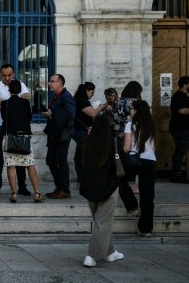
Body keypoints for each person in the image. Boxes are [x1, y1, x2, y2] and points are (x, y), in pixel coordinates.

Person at [79, 115, 124, 268]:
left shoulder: (85, 143)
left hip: (90, 188)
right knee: (102, 223)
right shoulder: (113, 144)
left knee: (101, 222)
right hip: (109, 187)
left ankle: (110, 251)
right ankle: (91, 256)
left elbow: (78, 162)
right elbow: (124, 164)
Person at [0, 64, 29, 197]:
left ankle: (22, 186)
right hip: (1, 126)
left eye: (9, 75)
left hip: (17, 128)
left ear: (13, 74)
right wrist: (15, 105)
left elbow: (26, 98)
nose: (7, 78)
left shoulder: (20, 84)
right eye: (4, 75)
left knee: (20, 155)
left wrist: (8, 105)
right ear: (0, 75)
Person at [2, 80, 44, 203]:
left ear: (9, 89)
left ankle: (14, 193)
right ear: (20, 90)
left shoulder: (5, 104)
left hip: (10, 138)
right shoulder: (25, 102)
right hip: (24, 137)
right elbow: (29, 117)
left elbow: (5, 119)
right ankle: (37, 193)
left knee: (11, 166)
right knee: (30, 165)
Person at [124, 100, 158, 237]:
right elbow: (153, 147)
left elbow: (126, 148)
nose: (131, 111)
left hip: (135, 160)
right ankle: (146, 229)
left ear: (137, 111)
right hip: (150, 160)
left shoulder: (130, 125)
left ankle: (132, 205)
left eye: (132, 109)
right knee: (148, 195)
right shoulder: (150, 125)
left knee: (120, 181)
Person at [41, 74, 76, 199]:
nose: (50, 83)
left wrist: (51, 114)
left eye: (52, 81)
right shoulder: (56, 96)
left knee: (61, 162)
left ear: (60, 83)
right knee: (51, 160)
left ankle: (64, 189)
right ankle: (59, 187)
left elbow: (69, 116)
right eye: (50, 81)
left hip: (62, 135)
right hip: (53, 134)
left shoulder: (67, 97)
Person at [111, 81, 141, 213]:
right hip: (129, 133)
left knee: (121, 159)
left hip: (118, 134)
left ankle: (122, 184)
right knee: (132, 158)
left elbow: (114, 118)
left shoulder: (118, 102)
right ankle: (131, 184)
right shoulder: (135, 102)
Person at [72, 82, 108, 186]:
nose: (92, 95)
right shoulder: (82, 101)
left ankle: (82, 179)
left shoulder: (77, 99)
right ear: (87, 91)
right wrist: (101, 108)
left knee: (81, 153)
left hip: (77, 130)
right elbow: (92, 113)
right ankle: (82, 179)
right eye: (92, 92)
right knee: (83, 154)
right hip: (81, 131)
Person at [169, 76, 189, 183]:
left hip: (185, 129)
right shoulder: (179, 96)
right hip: (181, 128)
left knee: (181, 151)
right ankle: (176, 175)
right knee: (180, 151)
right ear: (185, 85)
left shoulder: (184, 97)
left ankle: (177, 174)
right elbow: (181, 111)